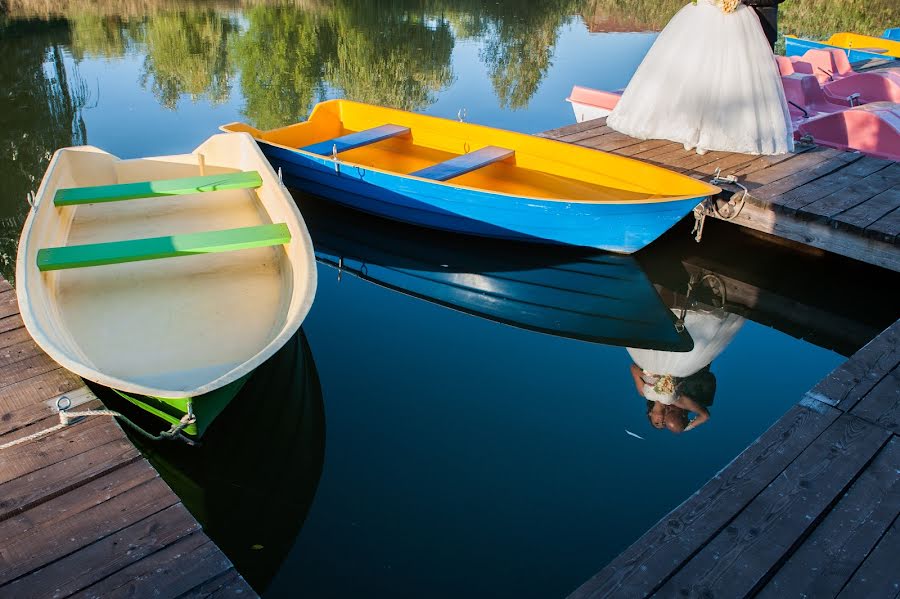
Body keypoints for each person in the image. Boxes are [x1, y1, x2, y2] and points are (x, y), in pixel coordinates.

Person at [606, 0, 794, 156]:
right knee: (699, 72)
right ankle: (693, 132)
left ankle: (734, 133)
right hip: (706, 18)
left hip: (752, 22)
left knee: (735, 80)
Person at [626, 300, 745, 434]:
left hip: (657, 358)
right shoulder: (676, 401)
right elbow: (704, 415)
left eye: (657, 422)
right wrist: (687, 427)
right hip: (684, 360)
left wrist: (650, 375)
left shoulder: (644, 393)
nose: (662, 420)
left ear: (649, 415)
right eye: (663, 423)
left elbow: (633, 368)